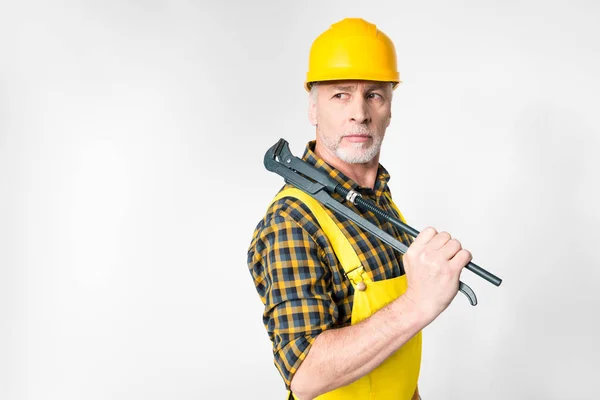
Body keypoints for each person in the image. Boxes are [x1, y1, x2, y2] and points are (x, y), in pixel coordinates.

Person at [247, 18, 473, 400]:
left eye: (374, 95)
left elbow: (390, 355)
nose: (359, 113)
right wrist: (418, 302)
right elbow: (304, 376)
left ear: (389, 108)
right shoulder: (290, 222)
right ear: (313, 107)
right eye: (340, 95)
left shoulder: (379, 202)